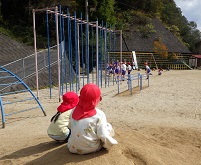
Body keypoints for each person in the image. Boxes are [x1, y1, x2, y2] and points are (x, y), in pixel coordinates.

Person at [67, 83, 118, 154]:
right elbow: (103, 135)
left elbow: (70, 126)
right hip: (91, 148)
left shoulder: (73, 110)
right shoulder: (99, 114)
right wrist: (110, 144)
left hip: (72, 148)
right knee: (108, 127)